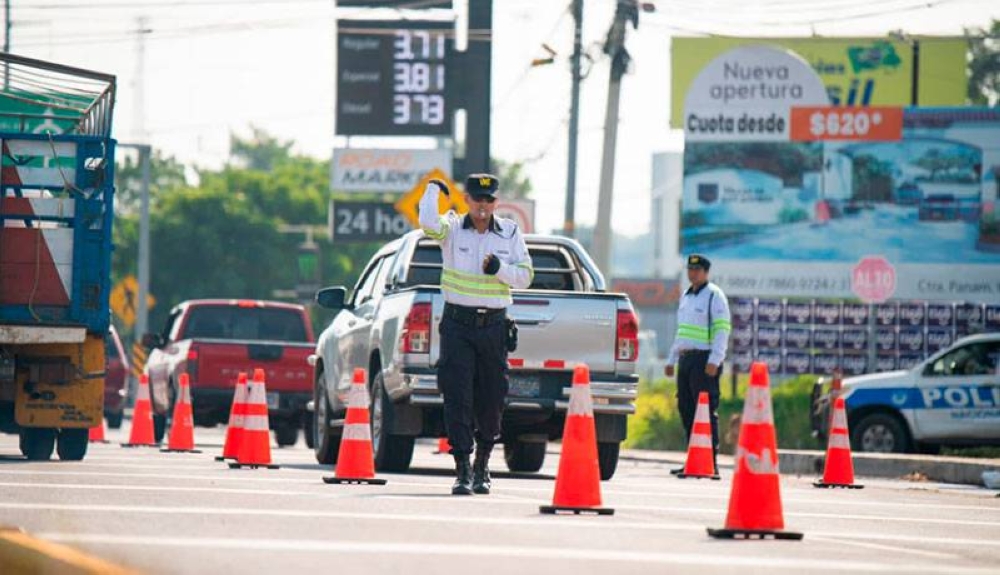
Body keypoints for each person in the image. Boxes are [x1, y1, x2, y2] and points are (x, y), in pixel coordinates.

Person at [419, 173, 533, 495]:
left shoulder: (510, 233)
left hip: (494, 327)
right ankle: (462, 469)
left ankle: (483, 464)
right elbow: (428, 224)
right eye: (477, 199)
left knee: (491, 397)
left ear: (497, 202)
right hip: (457, 325)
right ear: (467, 200)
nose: (483, 206)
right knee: (457, 396)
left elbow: (525, 275)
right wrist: (432, 191)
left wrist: (500, 269)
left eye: (489, 200)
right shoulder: (452, 228)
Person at [664, 254, 731, 475]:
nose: (692, 273)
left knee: (705, 410)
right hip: (686, 359)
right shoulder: (686, 296)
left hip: (704, 360)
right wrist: (672, 359)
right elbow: (682, 331)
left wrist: (715, 359)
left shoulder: (714, 296)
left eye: (697, 270)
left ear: (706, 272)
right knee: (686, 408)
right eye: (690, 270)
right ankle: (693, 458)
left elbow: (722, 329)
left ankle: (710, 461)